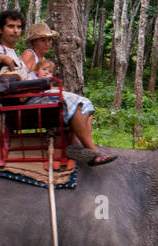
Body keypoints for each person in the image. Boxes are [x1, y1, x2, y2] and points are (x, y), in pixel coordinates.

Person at [20, 22, 117, 166]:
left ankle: (75, 145)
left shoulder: (42, 60)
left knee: (86, 103)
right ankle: (93, 151)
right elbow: (21, 81)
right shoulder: (29, 55)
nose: (47, 43)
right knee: (72, 101)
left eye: (49, 40)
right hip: (33, 100)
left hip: (43, 97)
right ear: (34, 41)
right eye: (43, 40)